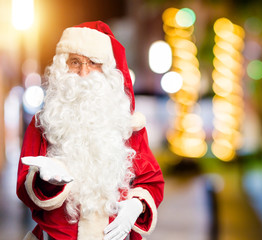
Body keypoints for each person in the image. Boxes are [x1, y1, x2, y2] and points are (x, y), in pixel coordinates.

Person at [16, 21, 164, 240]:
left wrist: (137, 205)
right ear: (62, 67)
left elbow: (151, 182)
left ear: (107, 70)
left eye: (93, 62)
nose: (83, 73)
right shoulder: (44, 123)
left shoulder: (128, 126)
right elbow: (24, 187)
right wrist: (45, 183)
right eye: (75, 62)